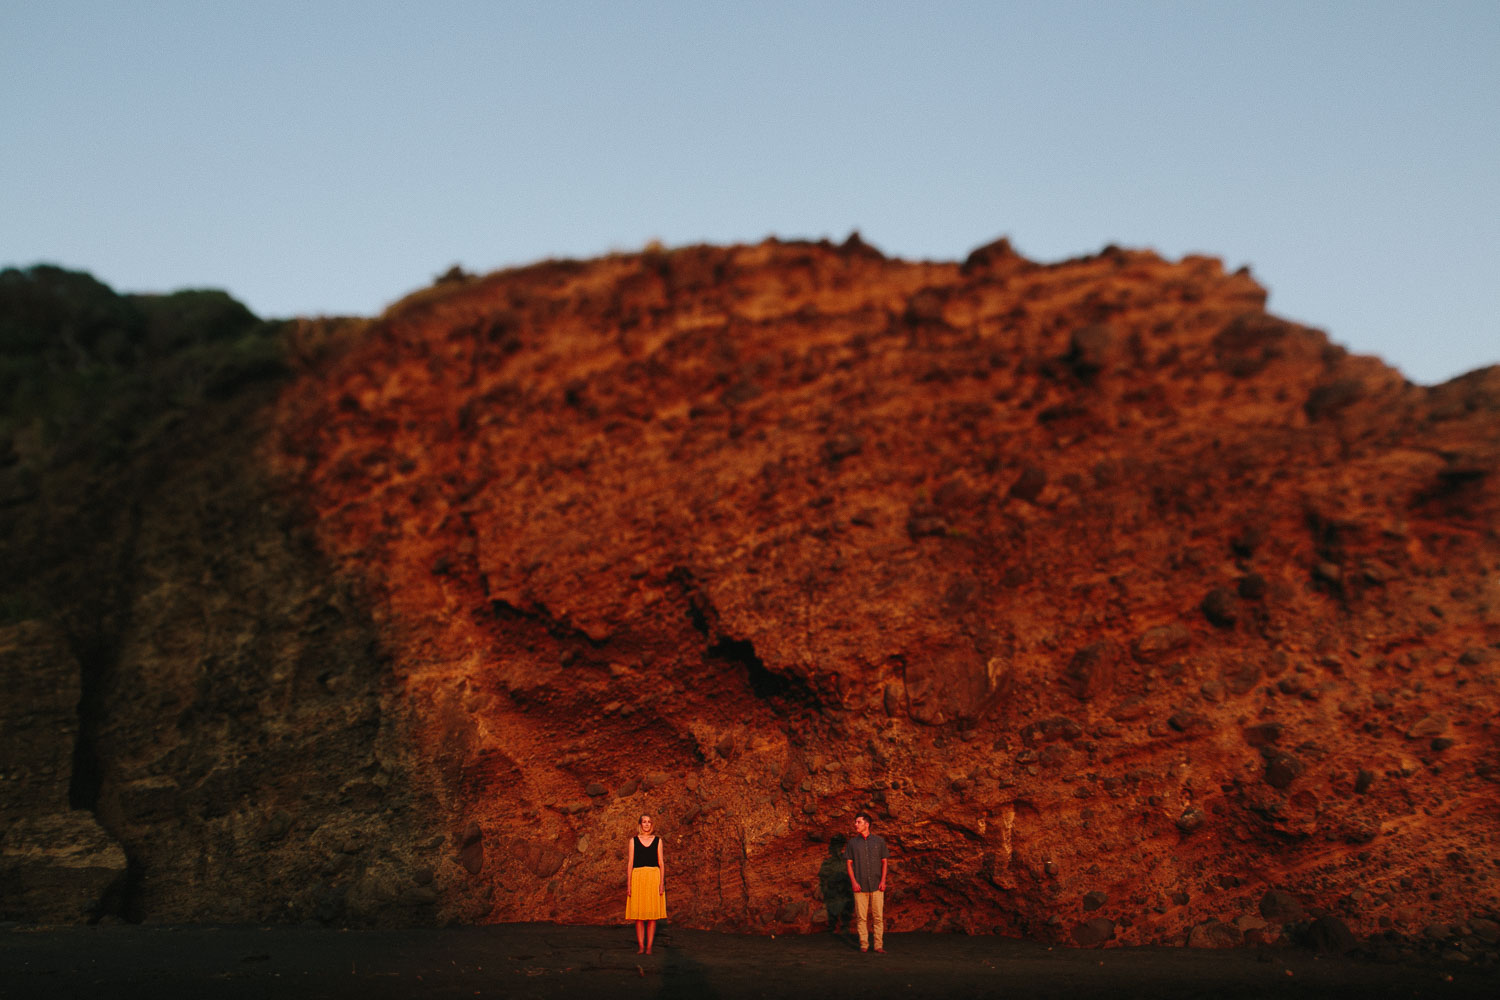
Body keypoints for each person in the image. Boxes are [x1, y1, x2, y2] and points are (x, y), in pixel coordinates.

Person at [842, 811, 889, 953]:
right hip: (860, 885)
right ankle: (864, 945)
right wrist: (854, 882)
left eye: (858, 822)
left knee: (878, 917)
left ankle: (878, 945)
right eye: (856, 822)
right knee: (861, 918)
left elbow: (884, 862)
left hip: (876, 885)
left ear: (866, 824)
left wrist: (883, 881)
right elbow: (849, 864)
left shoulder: (879, 841)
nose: (855, 824)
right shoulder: (852, 843)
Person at [625, 814, 666, 954]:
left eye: (649, 822)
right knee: (639, 916)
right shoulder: (633, 841)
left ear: (652, 824)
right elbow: (630, 863)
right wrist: (629, 885)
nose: (647, 824)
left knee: (652, 916)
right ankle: (641, 946)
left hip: (653, 877)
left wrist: (661, 883)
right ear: (640, 824)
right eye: (644, 822)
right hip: (638, 878)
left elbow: (661, 863)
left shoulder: (658, 841)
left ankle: (649, 947)